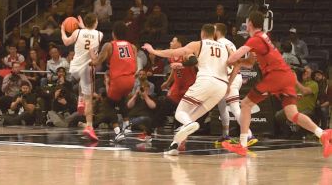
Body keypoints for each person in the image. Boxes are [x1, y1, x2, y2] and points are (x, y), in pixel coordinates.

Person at [222, 11, 332, 157]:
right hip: (286, 76)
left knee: (246, 104)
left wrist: (227, 57)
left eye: (247, 23)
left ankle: (242, 144)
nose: (245, 26)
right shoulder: (264, 37)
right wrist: (240, 62)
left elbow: (233, 58)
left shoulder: (255, 39)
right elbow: (248, 63)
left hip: (276, 75)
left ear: (250, 23)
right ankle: (322, 133)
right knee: (292, 114)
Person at [143, 24, 230, 155]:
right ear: (214, 34)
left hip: (206, 81)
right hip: (222, 86)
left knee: (180, 114)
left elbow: (173, 52)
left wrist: (153, 51)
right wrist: (230, 83)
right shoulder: (226, 47)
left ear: (202, 33)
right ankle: (174, 145)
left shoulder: (198, 44)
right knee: (190, 118)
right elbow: (236, 63)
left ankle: (188, 125)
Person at [89, 21, 137, 141]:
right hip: (131, 80)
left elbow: (97, 62)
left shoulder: (109, 45)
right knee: (120, 100)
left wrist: (90, 58)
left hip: (118, 80)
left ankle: (117, 131)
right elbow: (135, 66)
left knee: (107, 104)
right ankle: (126, 124)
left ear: (113, 33)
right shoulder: (132, 46)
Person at [61, 13, 103, 141]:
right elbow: (91, 34)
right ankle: (89, 126)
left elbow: (66, 41)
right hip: (87, 69)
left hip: (74, 68)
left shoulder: (77, 33)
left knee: (82, 84)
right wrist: (84, 26)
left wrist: (63, 29)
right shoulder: (100, 34)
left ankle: (80, 99)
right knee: (89, 99)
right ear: (95, 22)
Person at [214, 23, 257, 146]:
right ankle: (225, 135)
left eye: (213, 29)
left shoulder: (221, 44)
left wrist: (229, 82)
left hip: (230, 78)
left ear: (217, 31)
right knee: (222, 106)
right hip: (225, 78)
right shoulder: (228, 42)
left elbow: (236, 61)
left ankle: (249, 134)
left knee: (234, 108)